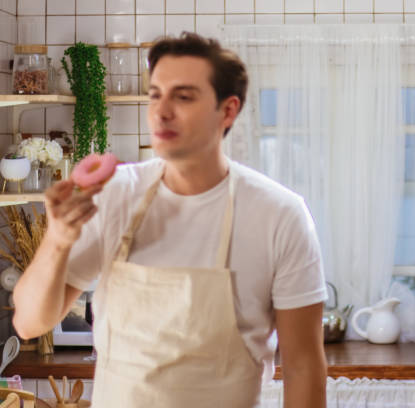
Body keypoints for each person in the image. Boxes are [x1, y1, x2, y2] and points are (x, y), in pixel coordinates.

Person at [12, 33, 328, 408]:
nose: (161, 111)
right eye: (157, 94)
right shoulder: (115, 196)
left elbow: (303, 367)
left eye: (183, 96)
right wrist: (58, 241)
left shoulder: (280, 215)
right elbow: (30, 323)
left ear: (227, 111)